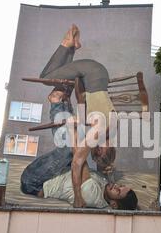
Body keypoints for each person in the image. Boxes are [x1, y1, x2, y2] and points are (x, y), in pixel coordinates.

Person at [21, 24, 138, 209]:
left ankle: (72, 47)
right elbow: (77, 161)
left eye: (118, 189)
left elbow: (83, 105)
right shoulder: (100, 131)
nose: (94, 146)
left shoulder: (109, 128)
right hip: (92, 71)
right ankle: (68, 43)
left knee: (72, 138)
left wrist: (71, 112)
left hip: (95, 75)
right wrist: (77, 197)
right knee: (46, 77)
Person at [36, 163, 138, 210]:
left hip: (40, 183)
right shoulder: (105, 189)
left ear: (114, 204)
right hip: (54, 171)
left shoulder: (92, 196)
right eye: (120, 185)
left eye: (118, 191)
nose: (116, 185)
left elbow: (80, 160)